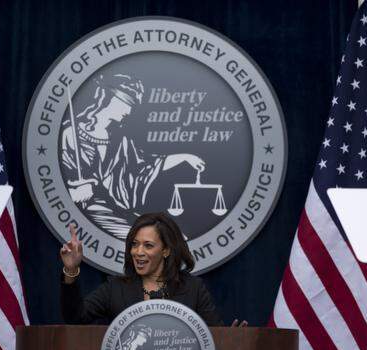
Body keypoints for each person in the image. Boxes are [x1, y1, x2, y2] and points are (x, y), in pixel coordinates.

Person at [61, 74, 206, 239]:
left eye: (132, 105)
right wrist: (74, 192)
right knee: (151, 240)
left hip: (114, 208)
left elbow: (145, 165)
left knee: (177, 238)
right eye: (127, 103)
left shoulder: (119, 139)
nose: (129, 111)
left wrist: (183, 157)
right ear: (109, 98)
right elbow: (60, 184)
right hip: (90, 213)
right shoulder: (70, 135)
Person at [61, 211, 247, 327]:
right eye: (134, 244)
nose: (138, 252)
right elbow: (75, 318)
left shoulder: (193, 288)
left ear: (166, 250)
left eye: (148, 245)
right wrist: (70, 270)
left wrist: (230, 339)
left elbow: (213, 337)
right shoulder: (115, 288)